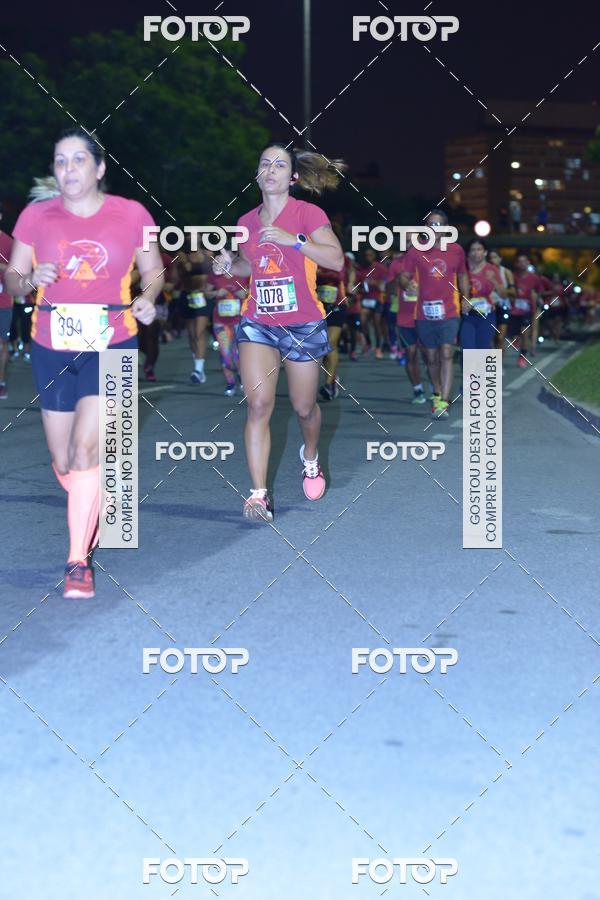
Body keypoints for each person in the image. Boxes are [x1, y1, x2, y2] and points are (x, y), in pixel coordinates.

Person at [5, 127, 162, 598]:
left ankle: (77, 562)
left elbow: (154, 271)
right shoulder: (36, 216)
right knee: (63, 461)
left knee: (84, 451)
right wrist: (30, 278)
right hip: (51, 344)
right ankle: (94, 492)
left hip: (113, 342)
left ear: (100, 168)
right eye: (60, 160)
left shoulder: (132, 214)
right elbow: (13, 281)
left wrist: (148, 298)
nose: (68, 168)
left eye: (78, 159)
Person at [213, 142, 345, 522]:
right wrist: (230, 265)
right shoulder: (245, 222)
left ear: (293, 177)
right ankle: (258, 495)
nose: (270, 170)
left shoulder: (307, 213)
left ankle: (310, 457)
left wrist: (295, 241)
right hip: (258, 322)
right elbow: (248, 266)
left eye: (279, 165)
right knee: (258, 405)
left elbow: (336, 259)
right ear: (257, 175)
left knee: (304, 408)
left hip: (302, 322)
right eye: (265, 164)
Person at [400, 210, 470, 418]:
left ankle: (443, 402)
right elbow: (404, 277)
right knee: (431, 357)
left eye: (438, 224)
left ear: (446, 228)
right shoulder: (415, 251)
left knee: (447, 353)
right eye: (431, 224)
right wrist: (407, 285)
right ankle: (437, 392)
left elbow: (463, 275)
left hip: (450, 310)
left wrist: (466, 297)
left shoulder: (456, 250)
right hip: (423, 313)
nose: (434, 228)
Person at [386, 250, 426, 404]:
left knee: (430, 356)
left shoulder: (428, 261)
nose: (410, 245)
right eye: (407, 241)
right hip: (405, 318)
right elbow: (389, 291)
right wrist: (398, 280)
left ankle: (436, 388)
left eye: (413, 241)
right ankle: (418, 389)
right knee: (411, 354)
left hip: (426, 317)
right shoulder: (396, 264)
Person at [205, 264, 246, 395]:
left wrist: (244, 293)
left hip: (239, 320)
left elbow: (254, 291)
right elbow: (206, 293)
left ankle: (242, 378)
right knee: (225, 352)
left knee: (238, 352)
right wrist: (217, 293)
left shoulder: (243, 272)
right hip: (220, 321)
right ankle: (230, 382)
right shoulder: (215, 274)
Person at [460, 239, 505, 351]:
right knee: (467, 348)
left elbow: (504, 295)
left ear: (485, 252)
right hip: (467, 316)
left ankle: (490, 362)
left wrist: (494, 280)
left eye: (479, 249)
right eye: (473, 250)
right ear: (468, 253)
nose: (476, 253)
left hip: (486, 315)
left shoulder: (492, 269)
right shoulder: (462, 269)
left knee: (483, 349)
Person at [180, 245, 212, 383]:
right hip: (188, 296)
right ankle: (198, 367)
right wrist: (181, 264)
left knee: (199, 333)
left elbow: (214, 273)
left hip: (203, 296)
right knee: (192, 335)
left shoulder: (208, 254)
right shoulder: (182, 256)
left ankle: (198, 370)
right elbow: (176, 278)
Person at [317, 262, 346, 401]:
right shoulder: (309, 257)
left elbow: (339, 276)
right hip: (317, 307)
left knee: (331, 343)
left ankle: (328, 385)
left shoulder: (336, 258)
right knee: (322, 348)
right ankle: (333, 377)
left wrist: (318, 273)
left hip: (336, 306)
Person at [510, 253, 541, 367]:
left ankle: (522, 356)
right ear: (516, 264)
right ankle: (517, 340)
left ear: (528, 263)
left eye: (524, 261)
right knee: (513, 334)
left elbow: (539, 291)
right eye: (520, 261)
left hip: (527, 310)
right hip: (514, 310)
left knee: (525, 333)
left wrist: (535, 298)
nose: (522, 264)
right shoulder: (512, 276)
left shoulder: (534, 278)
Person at [356, 248, 387, 358]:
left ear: (374, 256)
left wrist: (375, 283)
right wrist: (360, 288)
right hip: (365, 298)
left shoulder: (380, 268)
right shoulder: (361, 268)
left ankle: (378, 348)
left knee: (376, 324)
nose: (368, 257)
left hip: (377, 299)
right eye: (366, 255)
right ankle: (368, 343)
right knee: (362, 321)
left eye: (370, 255)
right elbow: (357, 283)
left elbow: (385, 283)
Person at [488, 249, 515, 354]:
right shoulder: (484, 271)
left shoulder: (506, 272)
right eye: (490, 258)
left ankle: (499, 362)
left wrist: (499, 289)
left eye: (495, 257)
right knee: (490, 338)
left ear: (500, 259)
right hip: (489, 308)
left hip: (503, 306)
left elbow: (513, 292)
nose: (492, 260)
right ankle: (492, 361)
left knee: (500, 338)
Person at [0, 203, 14, 399]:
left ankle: (1, 382)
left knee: (1, 343)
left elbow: (17, 270)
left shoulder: (9, 242)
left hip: (3, 300)